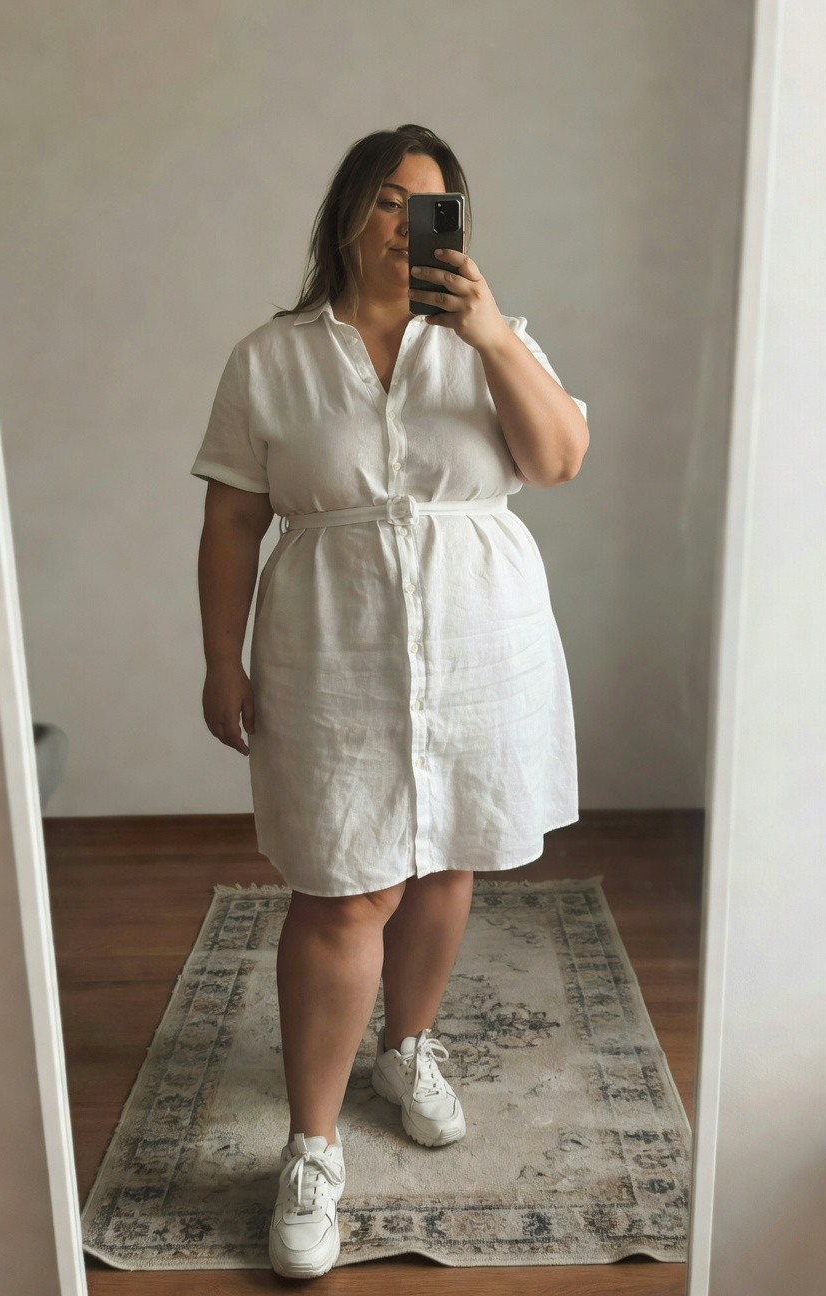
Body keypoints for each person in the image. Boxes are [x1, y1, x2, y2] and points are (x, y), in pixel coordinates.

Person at [191, 123, 589, 1280]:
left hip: (478, 640)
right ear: (347, 216)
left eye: (434, 207)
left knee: (449, 854)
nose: (408, 225)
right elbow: (229, 521)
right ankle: (312, 1148)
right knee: (341, 884)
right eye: (388, 202)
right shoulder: (270, 357)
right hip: (331, 643)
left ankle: (406, 1047)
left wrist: (490, 331)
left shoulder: (492, 340)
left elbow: (558, 460)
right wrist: (223, 660)